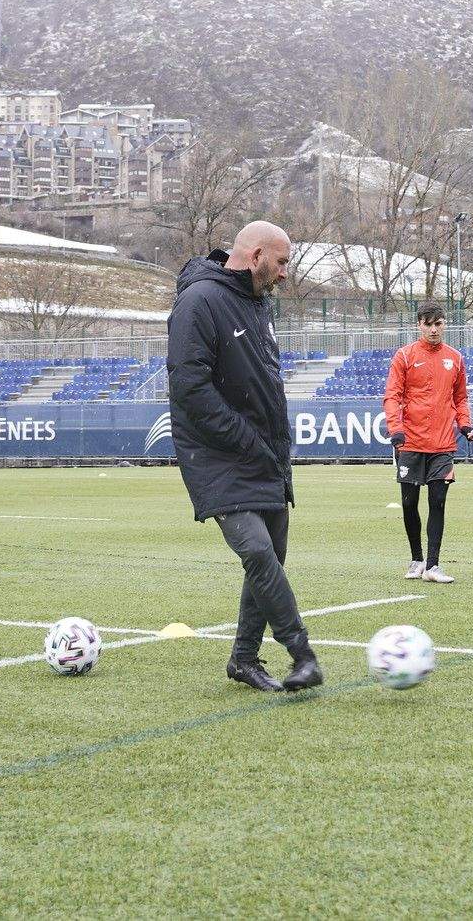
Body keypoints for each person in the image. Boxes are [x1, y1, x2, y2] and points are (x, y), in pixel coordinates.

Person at [167, 220, 321, 694]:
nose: (284, 275)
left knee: (271, 556)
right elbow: (189, 387)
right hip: (217, 454)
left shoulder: (257, 306)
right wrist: (244, 438)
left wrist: (271, 445)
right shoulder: (200, 301)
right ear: (254, 255)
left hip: (265, 452)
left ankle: (243, 658)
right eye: (281, 263)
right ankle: (302, 654)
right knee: (256, 550)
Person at [383, 303, 473, 582]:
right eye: (428, 324)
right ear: (419, 325)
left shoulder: (455, 358)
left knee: (438, 501)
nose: (433, 329)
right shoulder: (404, 356)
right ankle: (416, 560)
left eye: (438, 324)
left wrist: (465, 424)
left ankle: (433, 566)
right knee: (410, 503)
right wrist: (396, 429)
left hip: (443, 444)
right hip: (409, 443)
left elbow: (460, 398)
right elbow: (392, 396)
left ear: (445, 324)